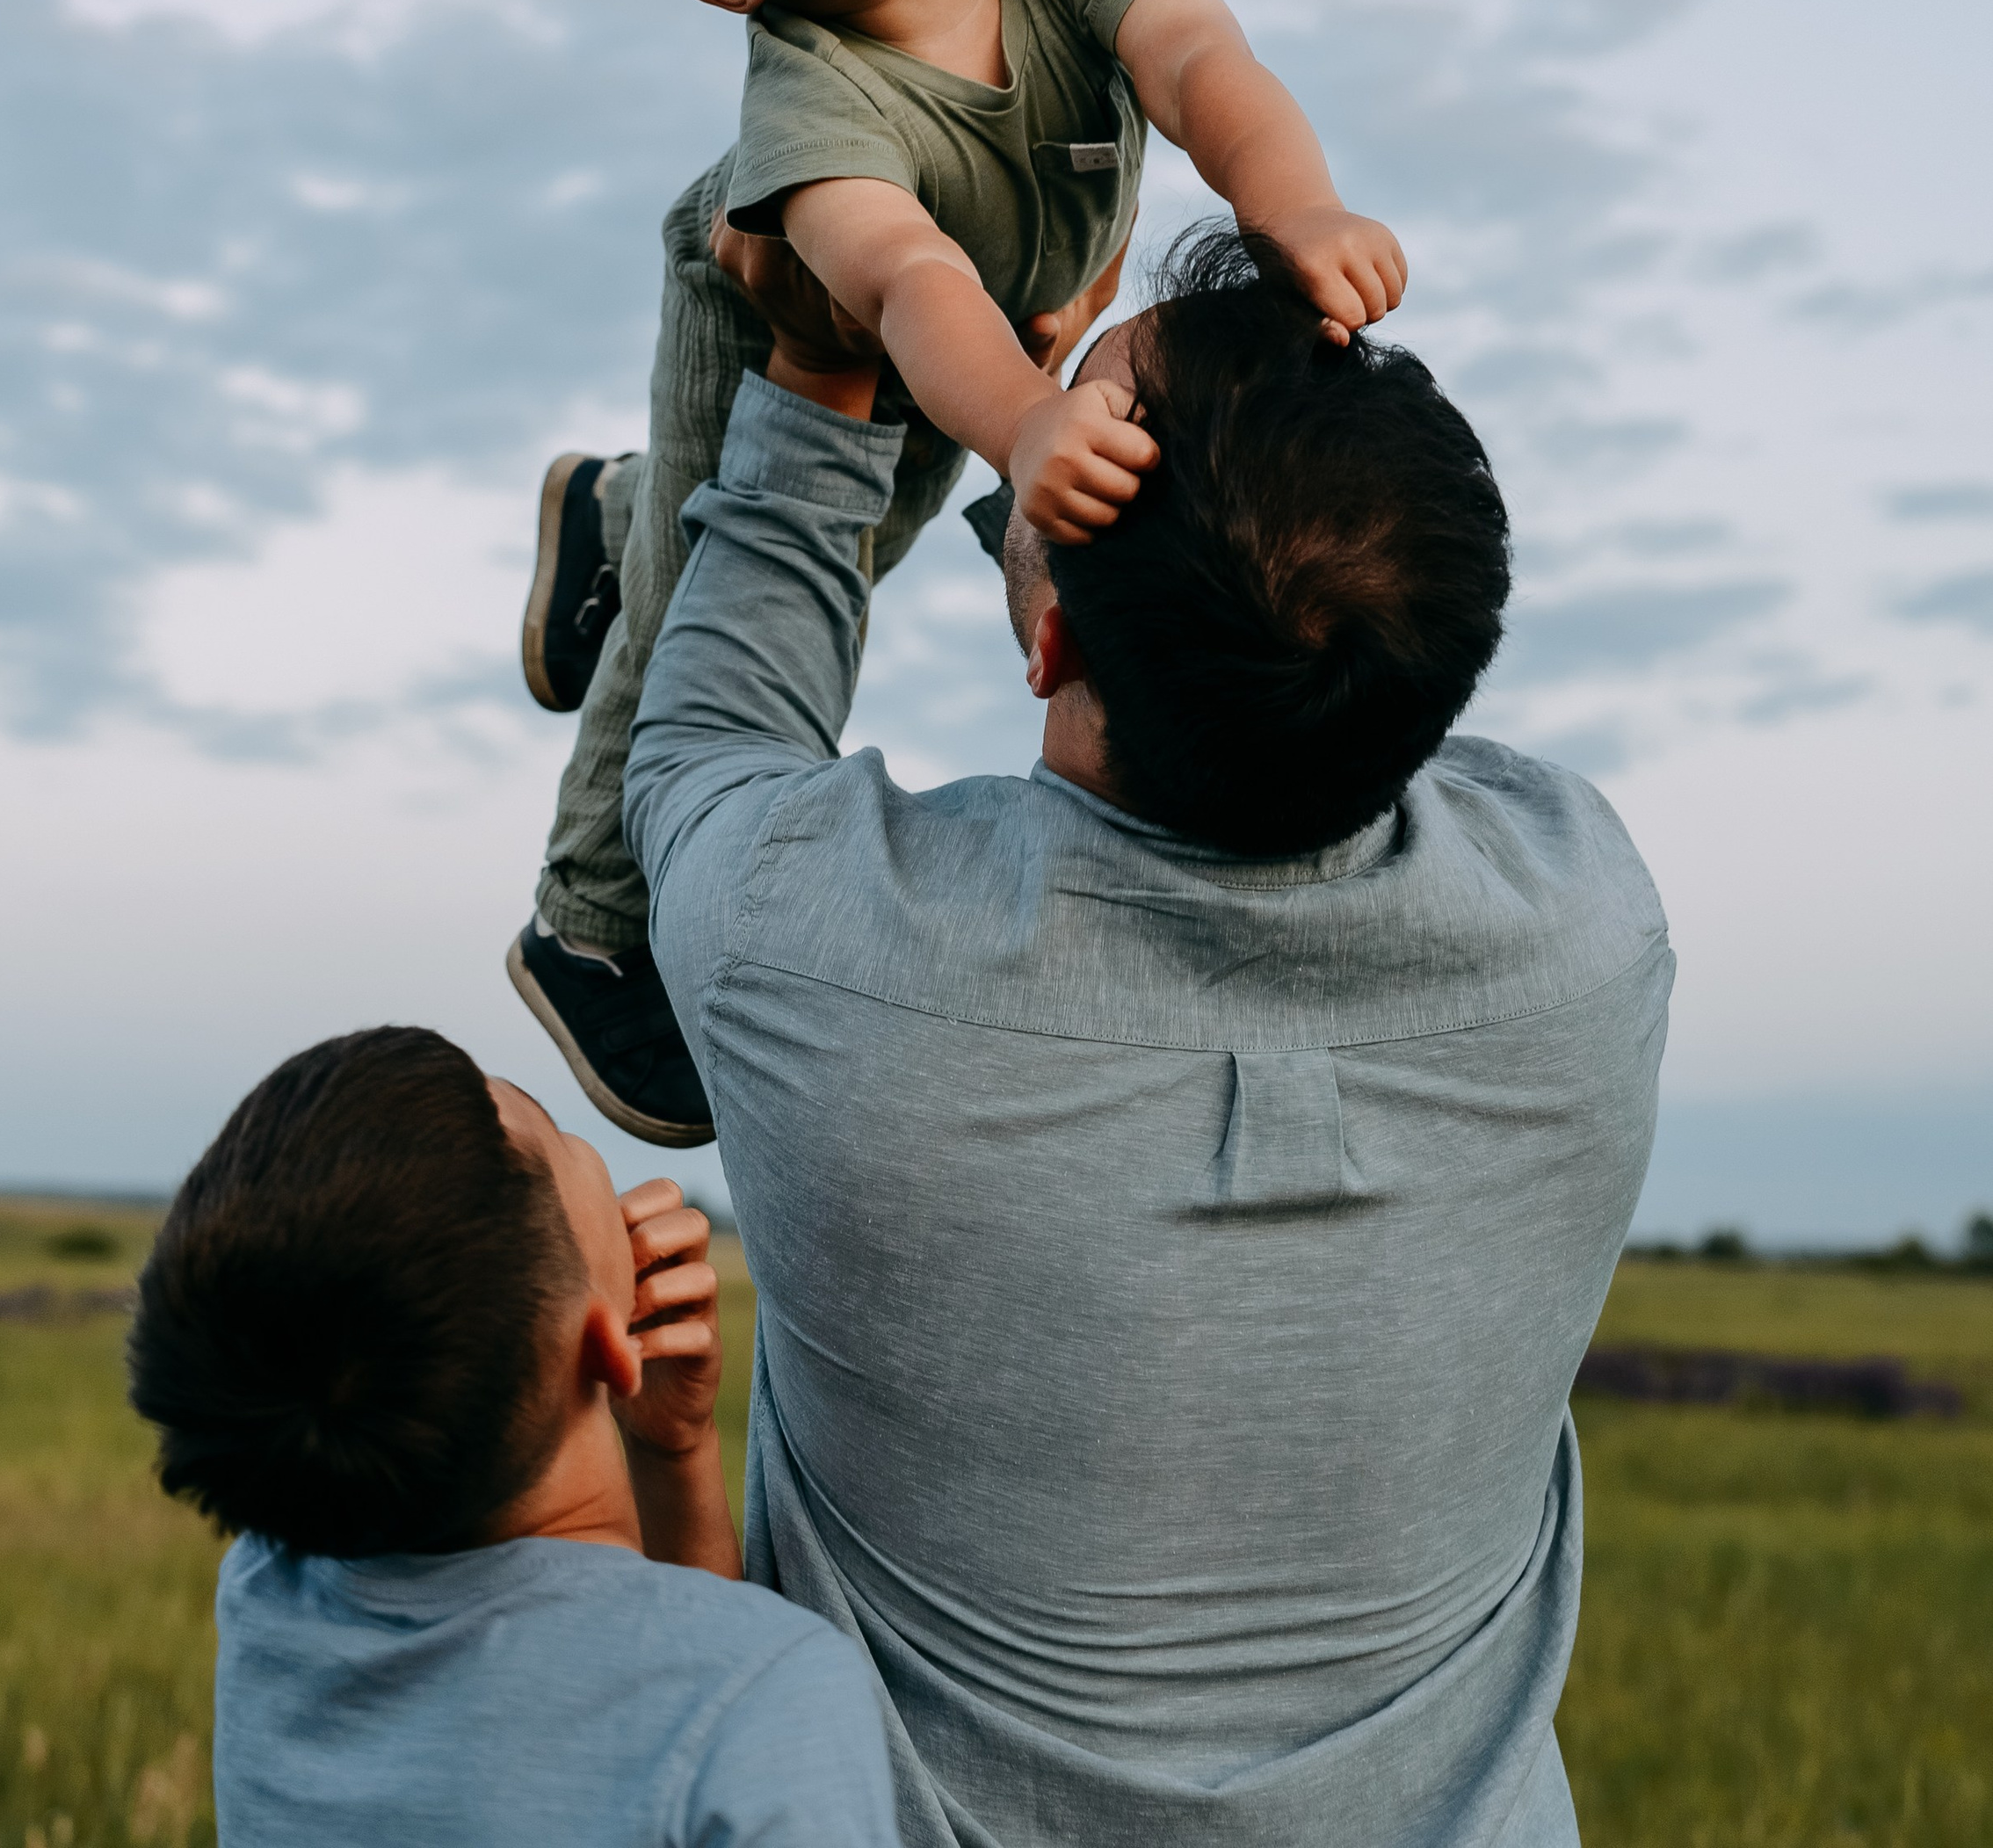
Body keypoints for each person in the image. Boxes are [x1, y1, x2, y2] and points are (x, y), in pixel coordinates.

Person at [623, 226, 1673, 1848]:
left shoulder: (816, 949)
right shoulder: (1588, 927)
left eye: (1076, 422)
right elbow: (1332, 666)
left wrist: (833, 374)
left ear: (1045, 645)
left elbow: (699, 736)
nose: (1045, 408)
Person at [511, 0, 1407, 1146]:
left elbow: (1198, 65)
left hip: (995, 346)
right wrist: (1027, 422)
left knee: (887, 534)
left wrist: (1293, 209)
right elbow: (910, 282)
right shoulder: (820, 92)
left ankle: (610, 509)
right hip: (813, 332)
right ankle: (586, 913)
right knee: (721, 590)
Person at [126, 1025, 899, 1848]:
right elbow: (698, 1688)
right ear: (602, 1345)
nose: (560, 1125)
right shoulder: (779, 1699)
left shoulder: (271, 1595)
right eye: (554, 1139)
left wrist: (673, 1450)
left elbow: (667, 1656)